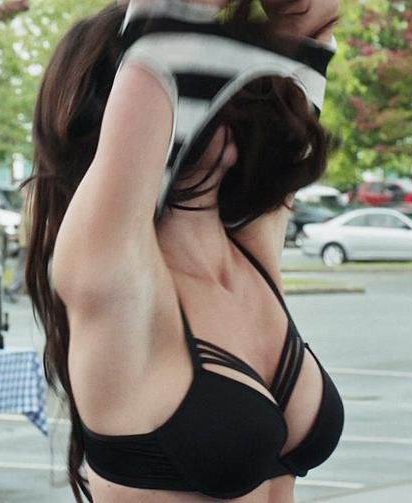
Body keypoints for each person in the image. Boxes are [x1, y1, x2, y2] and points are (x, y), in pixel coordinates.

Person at [24, 1, 344, 501]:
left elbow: (310, 20)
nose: (239, 91)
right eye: (210, 73)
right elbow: (165, 40)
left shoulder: (247, 245)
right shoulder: (108, 267)